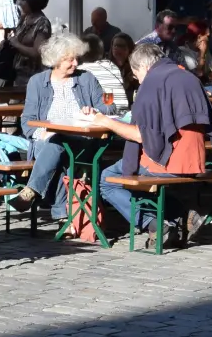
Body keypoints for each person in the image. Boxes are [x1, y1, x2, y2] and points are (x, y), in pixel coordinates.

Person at [89, 41, 212, 240]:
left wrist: (105, 121)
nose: (138, 80)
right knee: (139, 178)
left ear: (143, 67)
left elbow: (141, 135)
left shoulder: (152, 82)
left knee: (107, 179)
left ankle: (156, 225)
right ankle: (183, 214)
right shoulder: (188, 76)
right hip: (197, 159)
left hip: (167, 161)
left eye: (136, 75)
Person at [11, 33, 104, 218]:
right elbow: (27, 120)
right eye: (70, 60)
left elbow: (107, 107)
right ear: (55, 60)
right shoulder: (37, 82)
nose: (76, 63)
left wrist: (94, 111)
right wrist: (41, 134)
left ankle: (32, 192)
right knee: (57, 145)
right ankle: (64, 217)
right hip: (44, 141)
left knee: (58, 144)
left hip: (82, 141)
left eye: (77, 58)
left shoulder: (86, 79)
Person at [5, 0, 54, 88]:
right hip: (18, 74)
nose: (19, 3)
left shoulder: (42, 23)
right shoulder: (25, 17)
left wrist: (17, 44)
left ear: (32, 1)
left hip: (33, 77)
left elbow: (37, 52)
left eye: (22, 0)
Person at [79, 33, 127, 104]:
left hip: (105, 111)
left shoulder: (81, 71)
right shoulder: (112, 66)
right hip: (122, 110)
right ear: (101, 51)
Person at [110, 32, 139, 102]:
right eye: (116, 46)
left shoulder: (135, 68)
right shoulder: (107, 66)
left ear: (129, 48)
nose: (118, 49)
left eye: (122, 46)